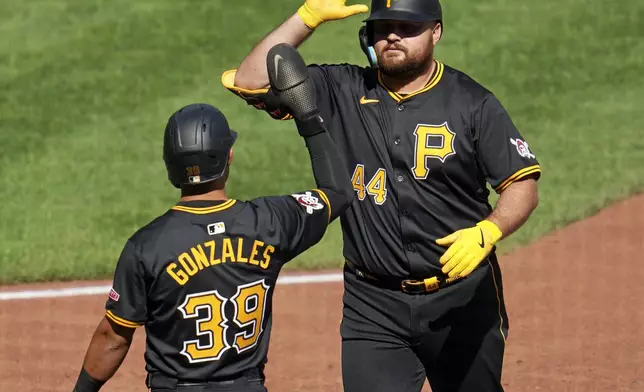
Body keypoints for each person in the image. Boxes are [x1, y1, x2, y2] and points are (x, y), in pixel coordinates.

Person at [221, 0, 541, 391]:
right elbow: (251, 80)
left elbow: (521, 185)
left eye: (407, 27)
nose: (392, 35)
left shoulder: (473, 103)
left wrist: (488, 232)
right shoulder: (339, 90)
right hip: (372, 304)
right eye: (383, 26)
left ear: (436, 32)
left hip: (461, 298)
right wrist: (306, 17)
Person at [71, 44, 354, 392]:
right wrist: (307, 115)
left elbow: (113, 338)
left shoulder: (146, 246)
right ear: (228, 156)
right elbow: (339, 192)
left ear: (169, 165)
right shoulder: (271, 221)